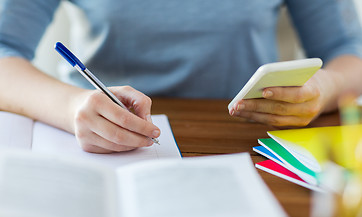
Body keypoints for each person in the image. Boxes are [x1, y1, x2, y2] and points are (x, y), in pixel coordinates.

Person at [0, 0, 361, 153]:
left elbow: (350, 48)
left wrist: (326, 89)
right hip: (93, 147)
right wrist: (70, 105)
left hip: (248, 146)